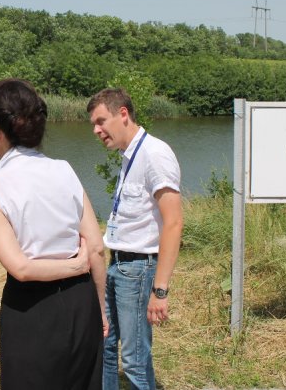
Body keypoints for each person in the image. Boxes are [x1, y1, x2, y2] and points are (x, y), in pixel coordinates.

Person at [0, 79, 108, 390]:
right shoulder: (65, 169)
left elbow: (20, 267)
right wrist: (100, 310)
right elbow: (97, 248)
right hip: (81, 301)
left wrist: (74, 266)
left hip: (32, 308)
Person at [87, 88, 183, 390]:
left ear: (124, 114)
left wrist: (160, 290)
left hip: (138, 270)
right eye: (94, 124)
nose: (96, 130)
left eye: (101, 121)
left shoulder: (154, 154)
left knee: (134, 361)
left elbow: (174, 222)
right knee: (105, 344)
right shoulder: (130, 156)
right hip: (118, 265)